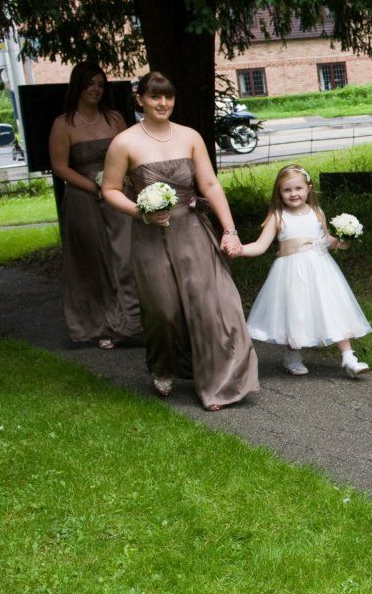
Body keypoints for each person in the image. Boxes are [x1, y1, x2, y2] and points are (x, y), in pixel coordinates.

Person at [101, 71, 259, 410]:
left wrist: (229, 230)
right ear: (139, 98)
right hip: (150, 236)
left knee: (211, 306)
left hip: (192, 232)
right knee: (164, 311)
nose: (163, 103)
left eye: (168, 96)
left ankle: (219, 384)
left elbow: (211, 185)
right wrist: (140, 212)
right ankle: (162, 364)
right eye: (155, 96)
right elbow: (110, 190)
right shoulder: (124, 142)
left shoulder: (190, 137)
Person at [239, 164, 371, 378]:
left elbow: (326, 241)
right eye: (287, 190)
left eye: (298, 188)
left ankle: (348, 357)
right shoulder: (278, 217)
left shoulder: (317, 213)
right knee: (296, 311)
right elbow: (260, 246)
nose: (293, 194)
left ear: (309, 188)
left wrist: (343, 238)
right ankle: (292, 355)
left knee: (333, 307)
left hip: (321, 270)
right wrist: (240, 250)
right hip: (290, 272)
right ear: (279, 193)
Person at [47, 61, 141, 348]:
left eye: (101, 85)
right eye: (90, 84)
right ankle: (102, 327)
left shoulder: (114, 119)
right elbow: (60, 167)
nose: (96, 90)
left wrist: (119, 183)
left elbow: (131, 154)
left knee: (126, 257)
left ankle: (132, 322)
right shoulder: (64, 125)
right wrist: (94, 187)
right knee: (95, 261)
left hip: (118, 196)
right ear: (78, 86)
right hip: (83, 200)